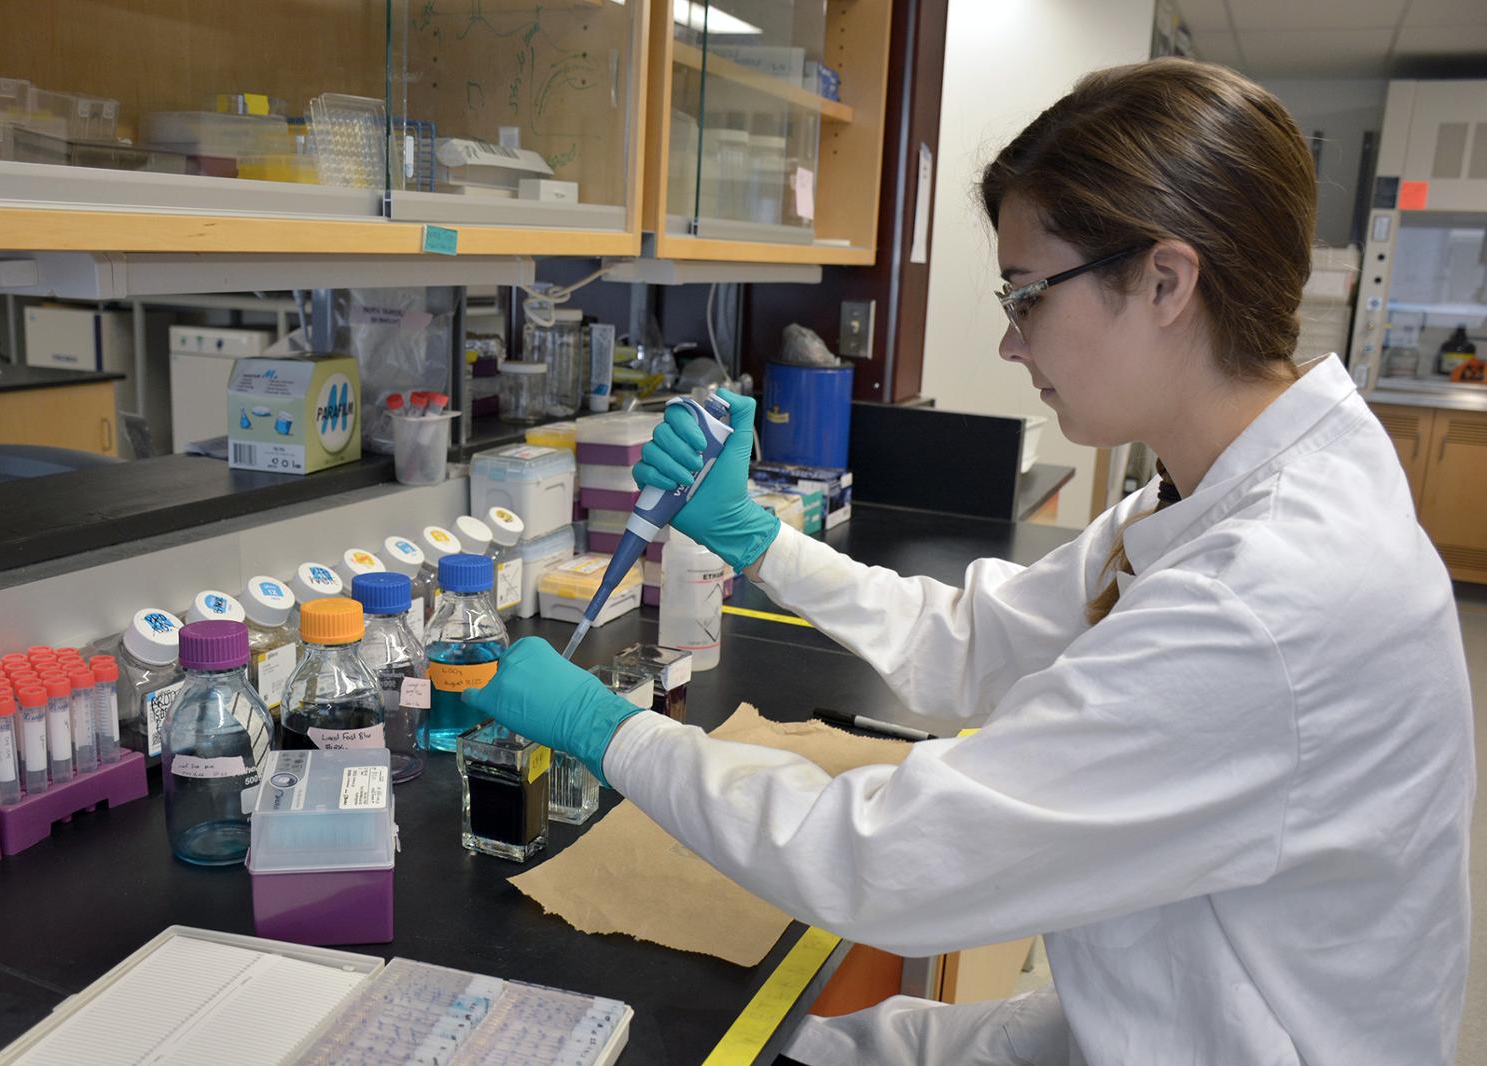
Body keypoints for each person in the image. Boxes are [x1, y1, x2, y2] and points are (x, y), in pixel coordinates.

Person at [463, 59, 1474, 1064]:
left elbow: (886, 858)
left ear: (1166, 280)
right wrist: (757, 538)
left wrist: (610, 731)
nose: (1006, 342)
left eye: (1028, 296)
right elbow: (976, 642)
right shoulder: (1211, 490)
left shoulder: (1270, 593)